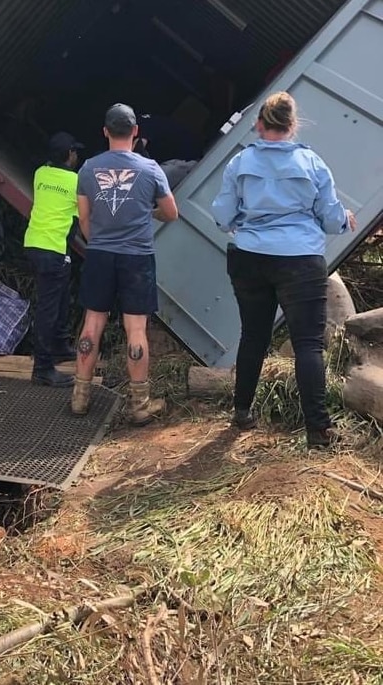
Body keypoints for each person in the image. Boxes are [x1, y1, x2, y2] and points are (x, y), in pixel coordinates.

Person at [211, 92, 357, 448]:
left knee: (254, 336)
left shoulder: (239, 162)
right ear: (293, 125)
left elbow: (222, 216)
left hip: (250, 259)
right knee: (308, 345)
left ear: (260, 124)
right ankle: (318, 431)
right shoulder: (313, 164)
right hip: (300, 261)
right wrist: (344, 219)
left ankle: (242, 412)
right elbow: (331, 218)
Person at [72, 104, 179, 423]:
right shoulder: (151, 169)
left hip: (101, 254)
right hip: (137, 256)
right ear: (135, 132)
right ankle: (139, 405)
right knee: (136, 329)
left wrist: (98, 243)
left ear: (105, 132)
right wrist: (149, 213)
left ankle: (79, 397)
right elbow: (172, 213)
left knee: (92, 323)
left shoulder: (88, 169)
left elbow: (84, 219)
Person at [23, 131, 84, 387]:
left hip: (35, 243)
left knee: (59, 299)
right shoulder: (76, 183)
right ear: (69, 155)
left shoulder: (40, 174)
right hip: (53, 249)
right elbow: (85, 215)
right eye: (75, 152)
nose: (77, 156)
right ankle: (43, 368)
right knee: (48, 309)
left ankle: (59, 344)